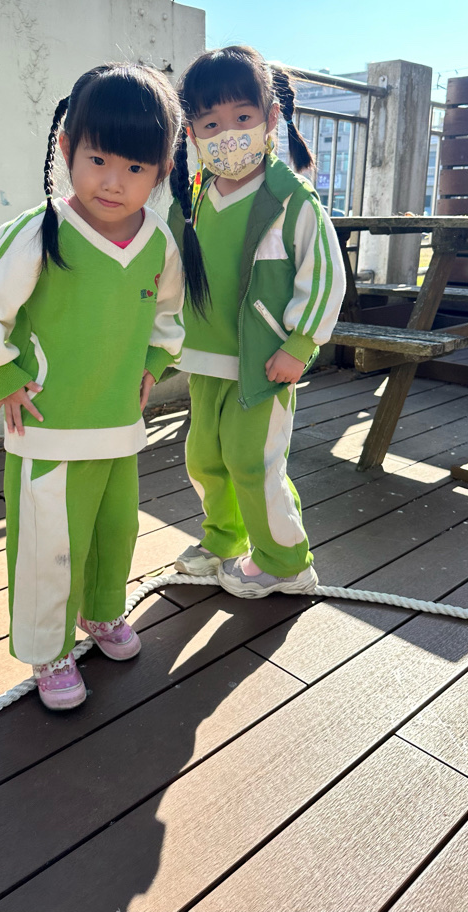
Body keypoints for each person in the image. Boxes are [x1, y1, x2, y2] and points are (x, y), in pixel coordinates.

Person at [0, 63, 192, 710]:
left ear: (163, 169)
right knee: (49, 547)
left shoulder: (158, 241)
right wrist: (3, 374)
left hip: (119, 427)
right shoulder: (42, 230)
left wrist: (154, 363)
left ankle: (102, 611)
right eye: (98, 159)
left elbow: (170, 314)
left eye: (135, 167)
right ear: (66, 149)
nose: (113, 182)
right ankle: (48, 648)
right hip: (49, 429)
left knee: (114, 532)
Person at [168, 45, 346, 598]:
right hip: (206, 359)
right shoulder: (193, 198)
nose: (228, 134)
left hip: (264, 362)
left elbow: (324, 276)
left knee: (253, 462)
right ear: (192, 133)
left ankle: (285, 561)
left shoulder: (291, 199)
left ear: (271, 118)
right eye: (211, 124)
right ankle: (223, 540)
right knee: (205, 458)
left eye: (242, 117)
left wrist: (300, 344)